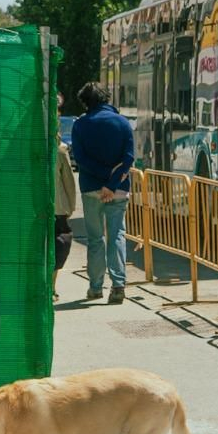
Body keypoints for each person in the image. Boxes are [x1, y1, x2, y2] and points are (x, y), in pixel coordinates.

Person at [70, 81, 134, 303]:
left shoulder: (80, 125)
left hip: (91, 189)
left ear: (86, 102)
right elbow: (128, 158)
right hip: (118, 189)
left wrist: (102, 180)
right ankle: (118, 286)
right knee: (116, 235)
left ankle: (95, 287)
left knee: (95, 238)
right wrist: (112, 182)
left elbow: (81, 159)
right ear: (106, 98)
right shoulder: (123, 123)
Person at [53, 132, 76, 300]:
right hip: (57, 209)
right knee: (59, 248)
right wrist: (70, 207)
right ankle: (51, 287)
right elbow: (68, 181)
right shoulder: (59, 151)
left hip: (35, 211)